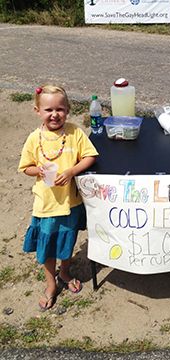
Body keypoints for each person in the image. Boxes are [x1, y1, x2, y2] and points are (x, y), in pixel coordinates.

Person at [18, 85, 98, 311]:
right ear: (38, 111)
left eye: (60, 109)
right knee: (47, 246)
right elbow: (26, 167)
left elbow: (90, 156)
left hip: (70, 203)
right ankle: (51, 283)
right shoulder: (35, 139)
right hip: (46, 204)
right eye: (48, 110)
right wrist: (39, 170)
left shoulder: (74, 133)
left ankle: (64, 271)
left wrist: (72, 171)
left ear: (68, 110)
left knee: (66, 241)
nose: (55, 114)